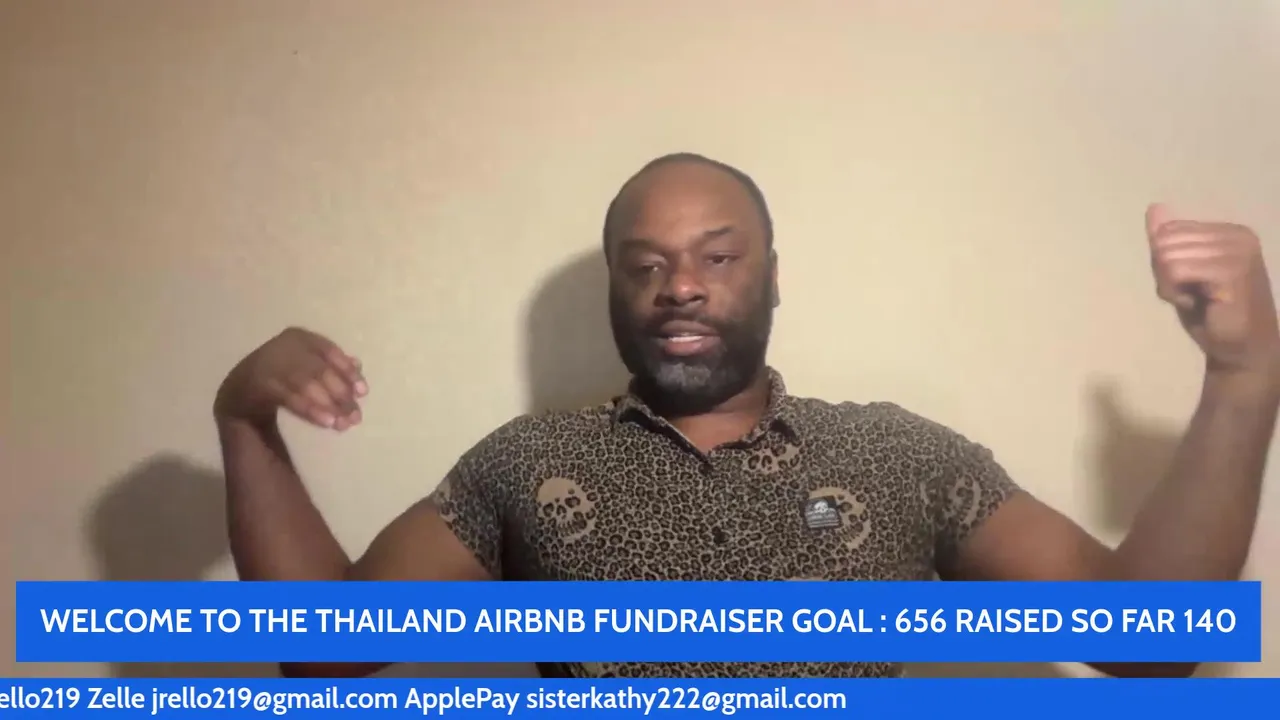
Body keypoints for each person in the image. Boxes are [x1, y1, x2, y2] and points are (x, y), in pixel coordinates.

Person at [214, 153, 1280, 680]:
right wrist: (244, 420)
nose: (680, 285)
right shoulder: (526, 465)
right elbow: (321, 649)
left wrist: (1241, 378)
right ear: (615, 294)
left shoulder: (896, 454)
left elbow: (1148, 640)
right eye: (645, 265)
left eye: (718, 258)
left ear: (773, 278)